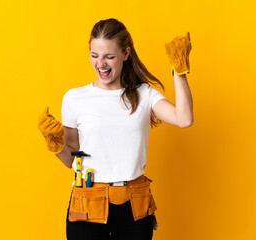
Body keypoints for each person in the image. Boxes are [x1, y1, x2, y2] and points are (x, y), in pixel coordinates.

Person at [38, 18, 193, 240]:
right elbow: (73, 161)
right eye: (95, 56)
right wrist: (55, 145)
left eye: (109, 57)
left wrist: (179, 71)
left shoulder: (144, 94)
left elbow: (184, 118)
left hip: (134, 204)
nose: (101, 64)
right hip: (87, 204)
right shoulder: (74, 98)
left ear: (125, 54)